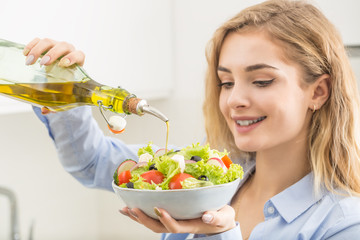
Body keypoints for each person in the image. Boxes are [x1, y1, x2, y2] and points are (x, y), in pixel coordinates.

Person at [25, 0, 360, 239]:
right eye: (226, 82)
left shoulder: (344, 224)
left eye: (261, 81)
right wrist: (62, 88)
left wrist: (220, 235)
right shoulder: (197, 175)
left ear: (318, 92)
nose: (234, 100)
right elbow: (92, 161)